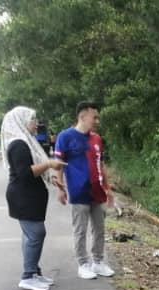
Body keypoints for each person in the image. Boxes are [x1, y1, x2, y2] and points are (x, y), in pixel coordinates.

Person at [1, 106, 66, 290]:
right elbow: (24, 173)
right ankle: (28, 276)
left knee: (30, 235)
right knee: (36, 233)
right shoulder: (18, 144)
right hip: (23, 197)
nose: (36, 124)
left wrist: (51, 176)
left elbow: (34, 169)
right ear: (21, 122)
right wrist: (48, 164)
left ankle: (34, 271)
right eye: (32, 119)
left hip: (29, 197)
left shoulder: (26, 142)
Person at [54, 102, 115, 279]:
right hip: (78, 191)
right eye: (94, 117)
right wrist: (60, 188)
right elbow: (58, 165)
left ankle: (98, 261)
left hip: (98, 191)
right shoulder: (65, 137)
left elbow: (100, 164)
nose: (97, 120)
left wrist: (108, 188)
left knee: (99, 228)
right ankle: (83, 264)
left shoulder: (96, 139)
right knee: (80, 230)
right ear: (82, 117)